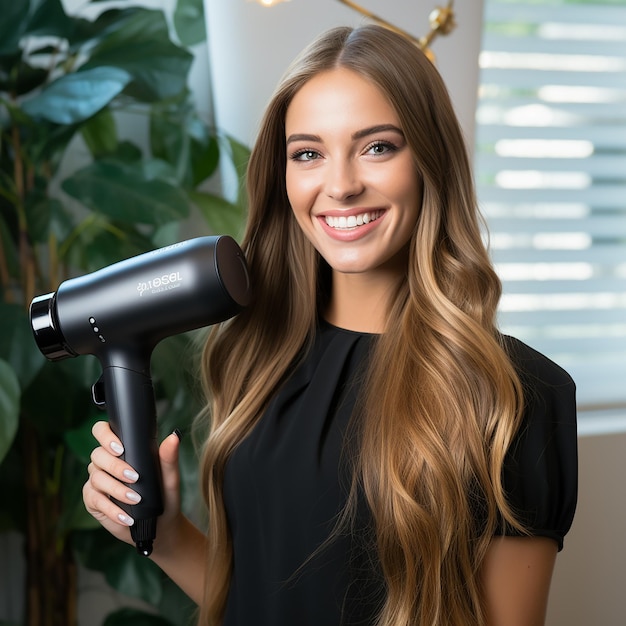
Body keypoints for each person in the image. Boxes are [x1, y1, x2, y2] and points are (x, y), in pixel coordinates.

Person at [83, 24, 577, 626]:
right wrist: (166, 536)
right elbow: (262, 600)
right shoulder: (259, 359)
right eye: (308, 154)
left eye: (377, 147)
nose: (340, 186)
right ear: (282, 173)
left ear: (430, 161)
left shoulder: (515, 394)